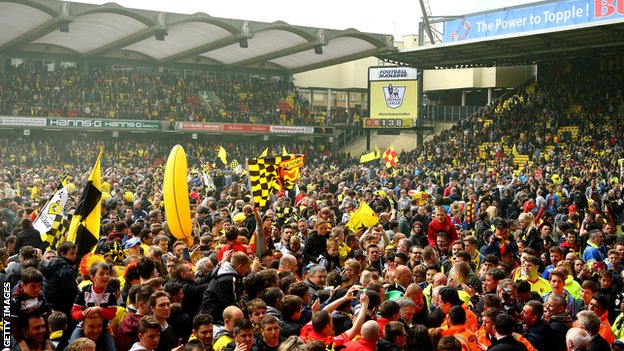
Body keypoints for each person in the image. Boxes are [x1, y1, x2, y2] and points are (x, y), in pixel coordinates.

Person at [201, 252, 251, 324]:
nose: (247, 270)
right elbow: (231, 302)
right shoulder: (228, 279)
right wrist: (244, 312)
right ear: (239, 266)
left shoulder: (228, 274)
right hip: (213, 316)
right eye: (247, 267)